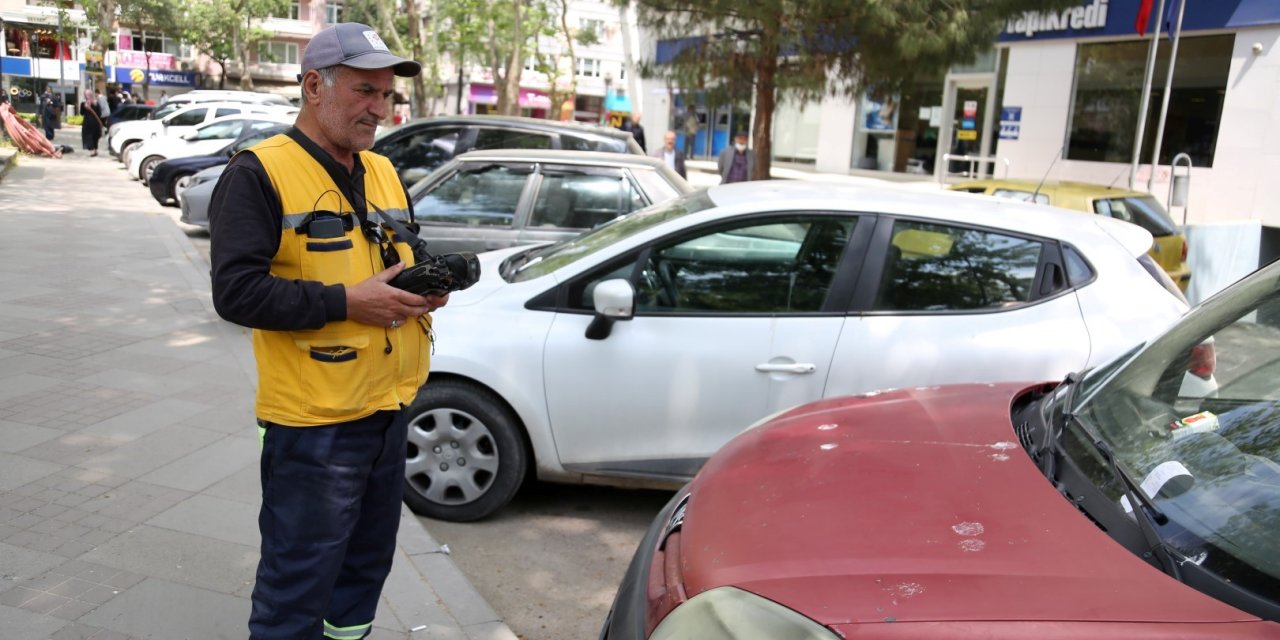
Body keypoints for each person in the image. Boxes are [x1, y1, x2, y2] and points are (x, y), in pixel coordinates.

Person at [206, 22, 446, 640]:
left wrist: (422, 289)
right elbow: (235, 293)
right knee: (296, 586)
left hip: (389, 411)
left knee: (363, 579)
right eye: (365, 91)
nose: (379, 108)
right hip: (313, 430)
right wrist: (347, 302)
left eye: (385, 95)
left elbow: (397, 259)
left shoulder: (384, 172)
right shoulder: (257, 172)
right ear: (314, 86)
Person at [79, 89, 105, 157]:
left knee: (88, 136)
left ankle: (92, 151)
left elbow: (81, 113)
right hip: (96, 122)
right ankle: (96, 150)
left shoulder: (83, 104)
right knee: (95, 136)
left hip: (87, 122)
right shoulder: (96, 103)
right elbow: (100, 113)